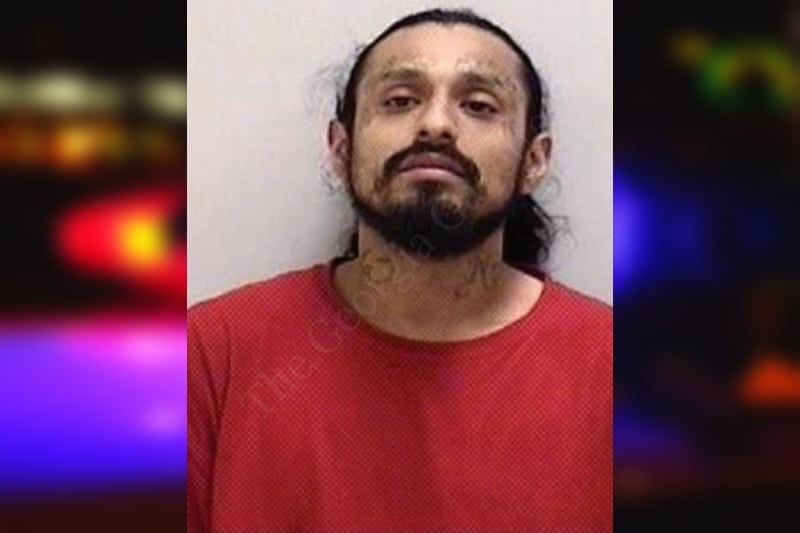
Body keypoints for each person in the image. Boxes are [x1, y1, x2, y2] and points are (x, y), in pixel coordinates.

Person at [188, 8, 611, 533]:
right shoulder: (213, 354)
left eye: (479, 105)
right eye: (400, 100)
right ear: (341, 150)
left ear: (534, 161)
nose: (436, 124)